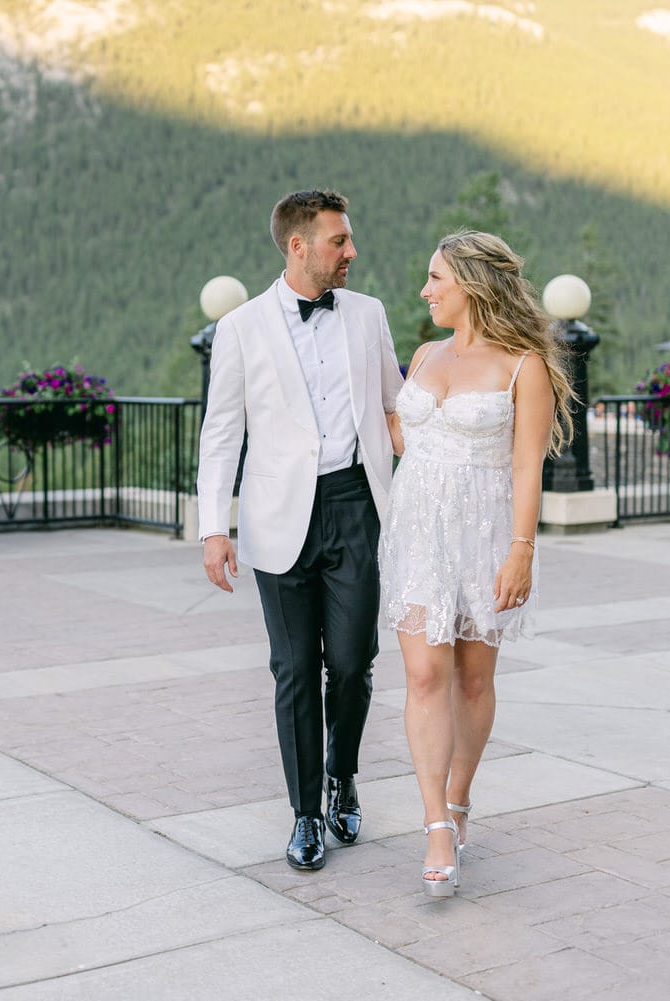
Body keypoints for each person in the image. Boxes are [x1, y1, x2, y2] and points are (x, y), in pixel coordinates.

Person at [198, 189, 404, 871]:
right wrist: (213, 527)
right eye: (339, 241)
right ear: (299, 245)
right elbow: (222, 432)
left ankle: (344, 773)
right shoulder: (241, 328)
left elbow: (394, 406)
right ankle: (305, 813)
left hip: (355, 507)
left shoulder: (369, 315)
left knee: (352, 662)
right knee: (293, 670)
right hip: (276, 518)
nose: (351, 251)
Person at [379, 230, 574, 897]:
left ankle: (459, 796)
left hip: (486, 536)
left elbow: (526, 467)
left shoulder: (524, 365)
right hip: (415, 535)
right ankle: (435, 822)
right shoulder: (425, 353)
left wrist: (522, 551)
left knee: (468, 681)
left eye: (436, 278)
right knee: (424, 673)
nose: (425, 291)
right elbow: (406, 436)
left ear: (471, 283)